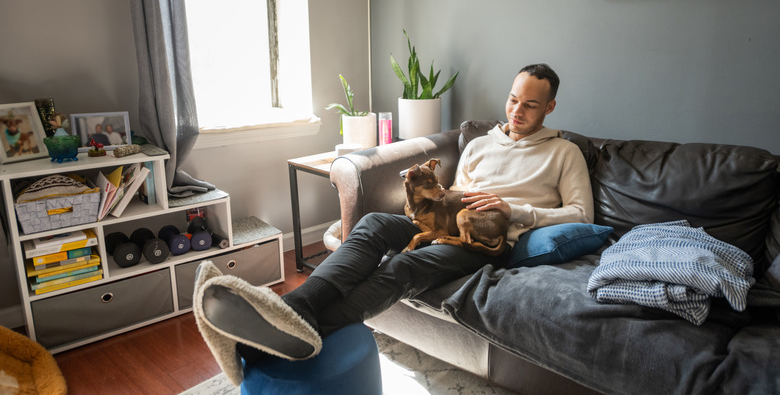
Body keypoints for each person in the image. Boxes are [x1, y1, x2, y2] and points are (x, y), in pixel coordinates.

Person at [194, 63, 594, 384]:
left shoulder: (564, 153)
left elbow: (582, 215)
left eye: (531, 105)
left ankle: (310, 328)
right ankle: (291, 309)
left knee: (402, 265)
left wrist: (515, 210)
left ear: (550, 108)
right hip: (446, 220)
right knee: (372, 225)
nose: (517, 112)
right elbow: (449, 192)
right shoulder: (480, 142)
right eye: (513, 100)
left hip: (486, 236)